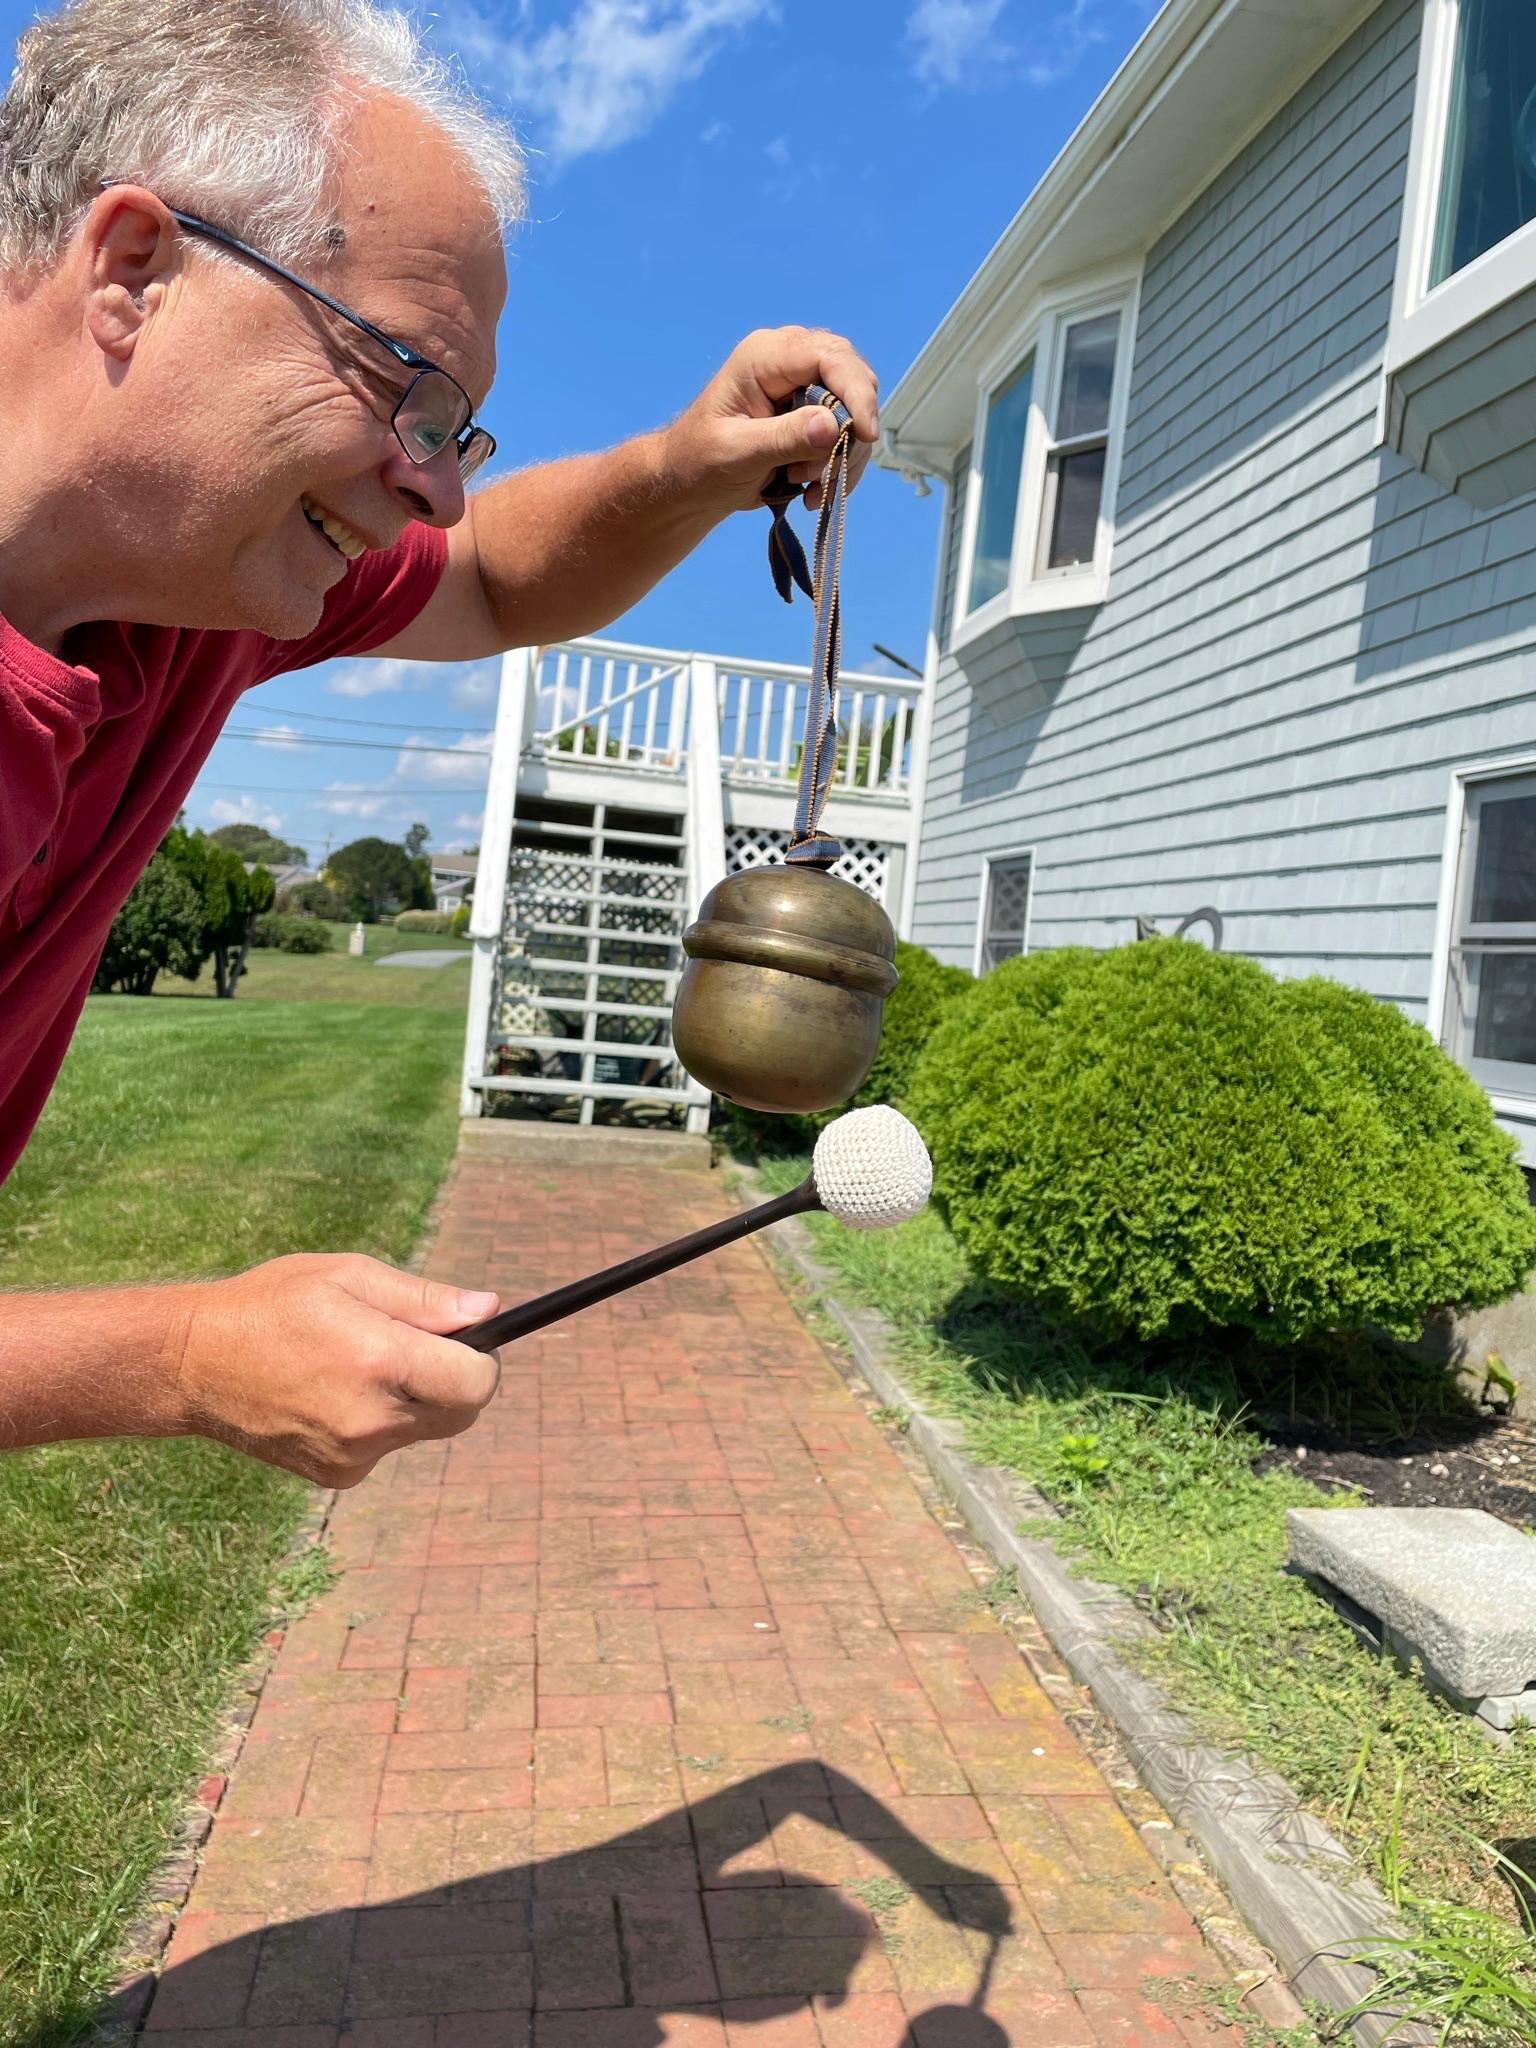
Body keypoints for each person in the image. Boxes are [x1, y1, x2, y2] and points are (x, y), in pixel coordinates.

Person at [0, 0, 879, 1489]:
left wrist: (689, 463)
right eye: (407, 386)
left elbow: (494, 578)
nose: (441, 489)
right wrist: (185, 1359)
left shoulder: (200, 584)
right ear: (136, 270)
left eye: (457, 428)